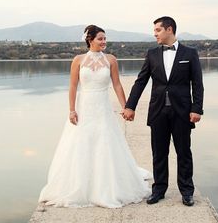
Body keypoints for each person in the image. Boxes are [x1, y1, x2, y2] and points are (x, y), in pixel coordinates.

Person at [38, 25, 150, 208]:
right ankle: (80, 186)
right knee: (81, 143)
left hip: (103, 107)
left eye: (105, 39)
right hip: (85, 106)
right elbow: (73, 86)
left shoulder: (111, 60)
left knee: (105, 142)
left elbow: (117, 85)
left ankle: (106, 187)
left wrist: (126, 107)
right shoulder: (78, 60)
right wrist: (71, 110)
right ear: (90, 40)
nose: (104, 42)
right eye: (100, 39)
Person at [122, 16, 204, 207]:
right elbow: (141, 81)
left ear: (169, 29)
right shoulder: (152, 54)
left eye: (158, 30)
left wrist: (197, 109)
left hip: (182, 111)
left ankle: (186, 191)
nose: (155, 34)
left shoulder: (190, 53)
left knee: (184, 152)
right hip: (158, 110)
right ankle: (158, 190)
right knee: (159, 152)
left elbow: (197, 84)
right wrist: (129, 106)